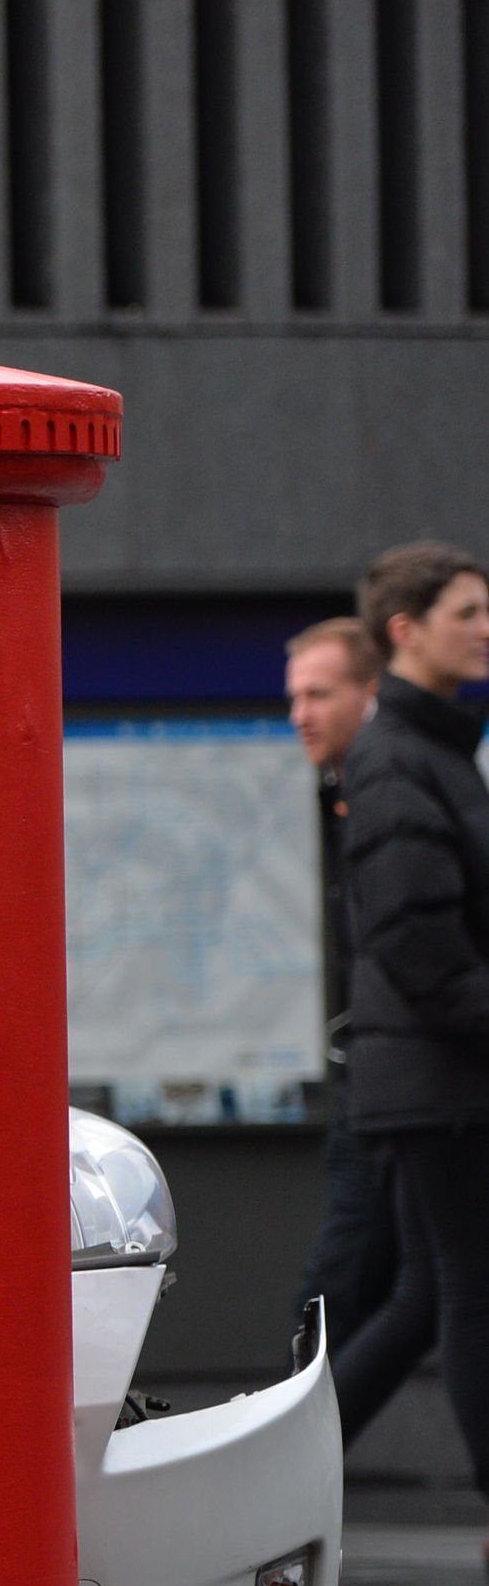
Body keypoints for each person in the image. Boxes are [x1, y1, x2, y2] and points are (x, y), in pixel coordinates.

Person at [329, 544, 489, 1468]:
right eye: (466, 611)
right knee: (470, 1292)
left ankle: (285, 1470)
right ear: (407, 629)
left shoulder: (432, 750)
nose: (483, 628)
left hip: (436, 1080)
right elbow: (419, 942)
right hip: (442, 1086)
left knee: (430, 1295)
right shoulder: (398, 760)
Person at [285, 616, 402, 1370]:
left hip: (394, 1083)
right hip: (377, 1072)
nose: (300, 714)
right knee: (429, 1288)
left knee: (343, 1292)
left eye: (320, 694)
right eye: (294, 696)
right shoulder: (340, 794)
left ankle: (285, 1474)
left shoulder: (385, 793)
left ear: (372, 693)